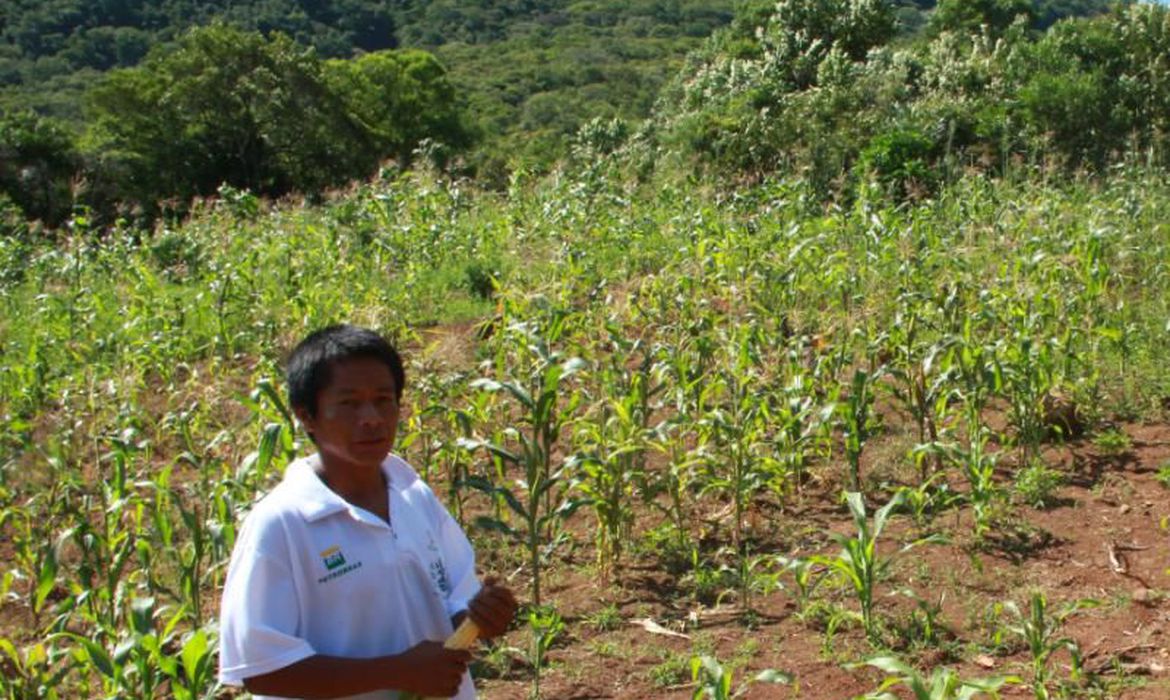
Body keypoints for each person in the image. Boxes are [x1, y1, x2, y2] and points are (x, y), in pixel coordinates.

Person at [219, 324, 517, 699]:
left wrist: (481, 617)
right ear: (306, 415)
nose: (372, 418)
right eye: (349, 403)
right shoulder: (282, 525)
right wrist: (398, 673)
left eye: (383, 399)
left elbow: (456, 597)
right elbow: (262, 670)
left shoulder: (414, 496)